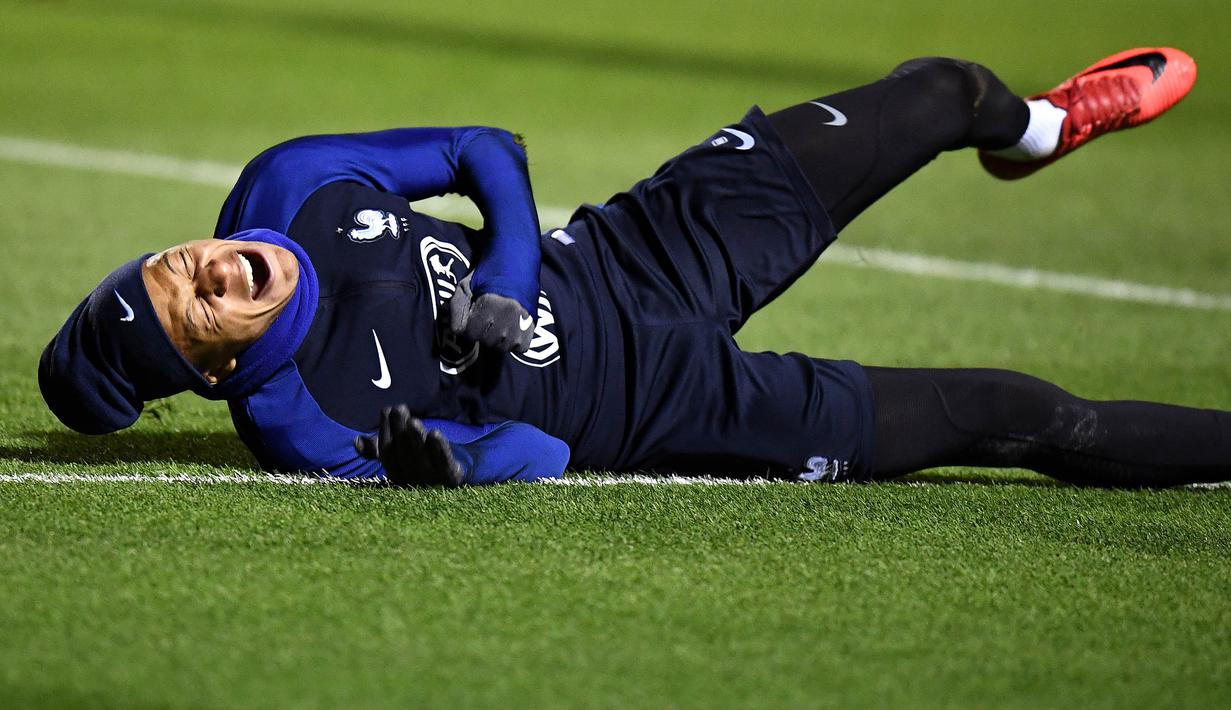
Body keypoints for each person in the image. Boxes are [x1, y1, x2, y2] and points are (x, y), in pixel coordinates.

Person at [38, 47, 1230, 487]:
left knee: (943, 91)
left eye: (171, 258)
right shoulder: (303, 424)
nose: (205, 262)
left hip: (634, 249)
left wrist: (506, 270)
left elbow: (480, 151)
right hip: (664, 404)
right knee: (1023, 415)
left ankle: (1038, 129)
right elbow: (542, 449)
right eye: (194, 300)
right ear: (213, 367)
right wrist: (446, 467)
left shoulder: (285, 185)